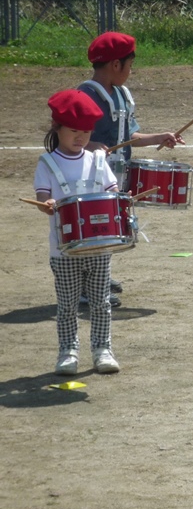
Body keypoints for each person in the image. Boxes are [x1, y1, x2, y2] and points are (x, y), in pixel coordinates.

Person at [80, 31, 183, 306]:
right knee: (95, 228)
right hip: (90, 176)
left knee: (110, 228)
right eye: (130, 65)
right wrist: (92, 146)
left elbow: (130, 137)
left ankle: (99, 276)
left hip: (117, 175)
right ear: (116, 65)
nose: (130, 71)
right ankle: (86, 287)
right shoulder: (85, 96)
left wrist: (159, 137)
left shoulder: (123, 95)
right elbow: (70, 139)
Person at [34, 90, 122, 375]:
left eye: (86, 132)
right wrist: (47, 204)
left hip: (99, 246)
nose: (81, 137)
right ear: (56, 127)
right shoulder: (47, 163)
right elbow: (42, 196)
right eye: (74, 131)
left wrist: (122, 200)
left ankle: (102, 349)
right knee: (68, 305)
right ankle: (68, 352)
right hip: (63, 250)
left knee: (101, 303)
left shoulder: (97, 159)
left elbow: (112, 192)